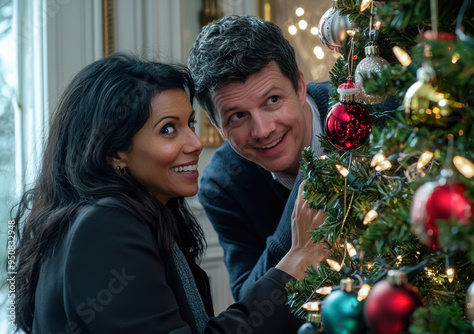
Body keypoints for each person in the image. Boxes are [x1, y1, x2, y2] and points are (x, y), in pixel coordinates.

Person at [9, 53, 328, 333]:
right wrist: (297, 263)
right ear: (115, 152)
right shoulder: (104, 227)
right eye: (168, 129)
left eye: (189, 123)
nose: (195, 143)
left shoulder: (144, 219)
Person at [187, 15, 332, 301]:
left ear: (299, 87)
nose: (263, 131)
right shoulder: (223, 182)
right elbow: (249, 303)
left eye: (272, 100)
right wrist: (304, 192)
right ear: (218, 127)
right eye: (238, 116)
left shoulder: (362, 110)